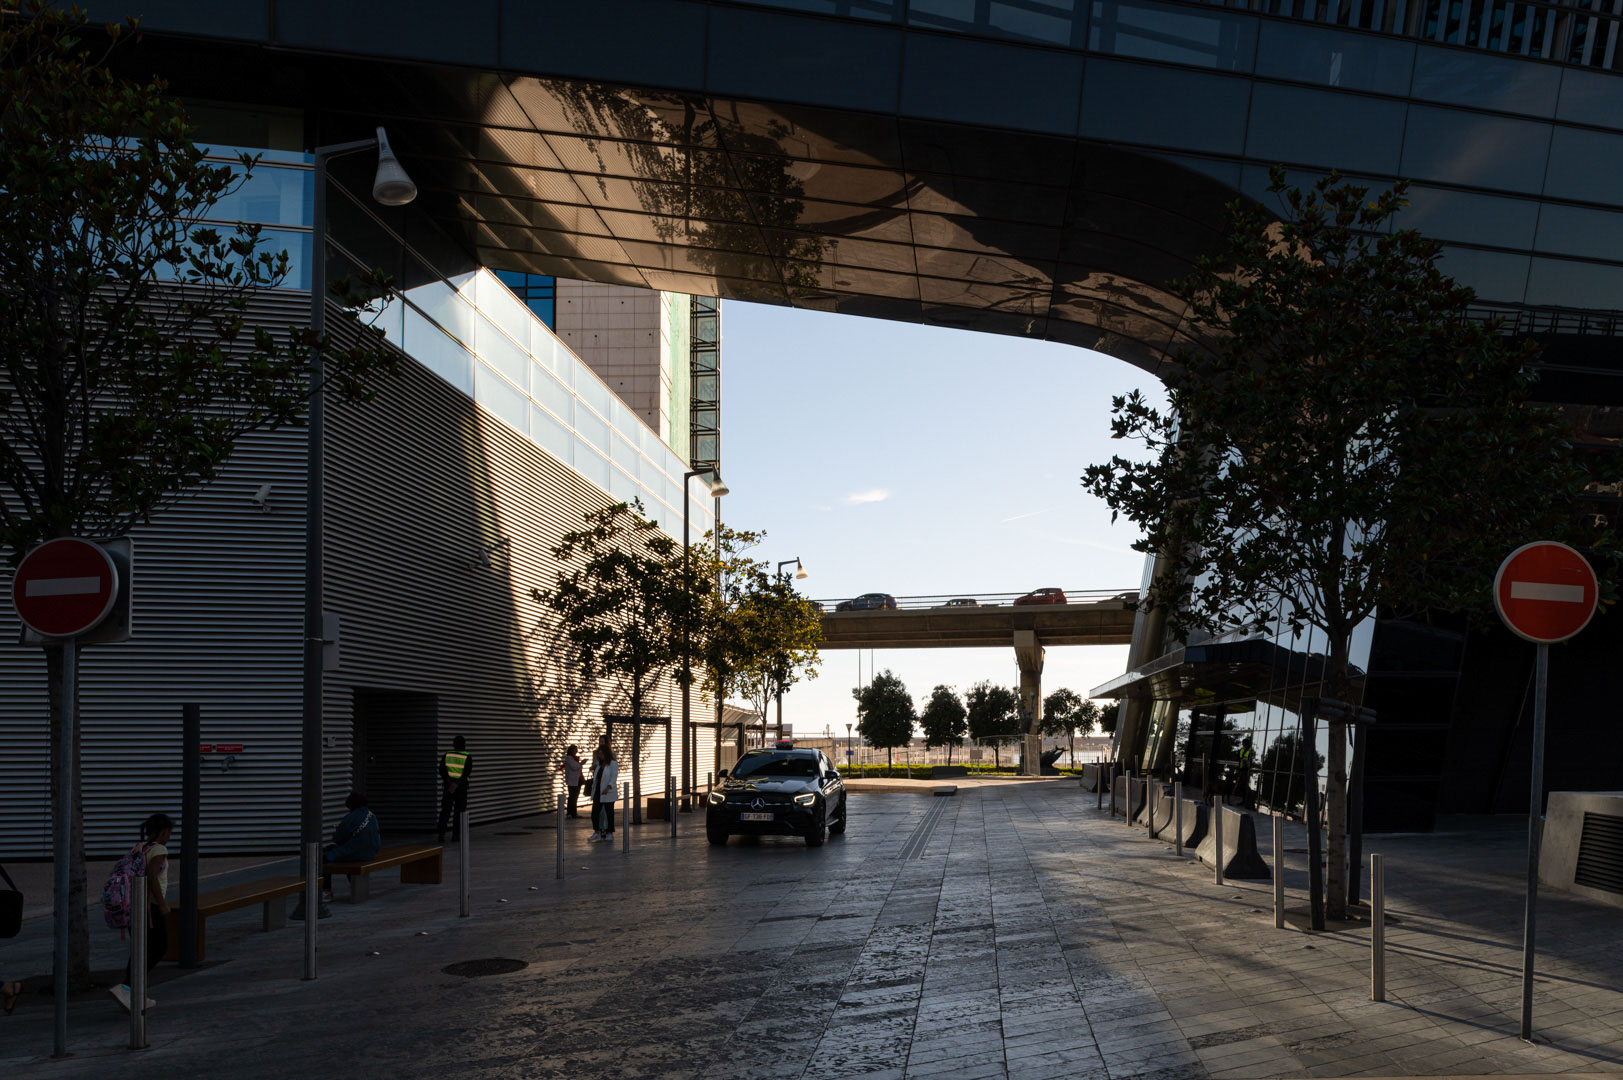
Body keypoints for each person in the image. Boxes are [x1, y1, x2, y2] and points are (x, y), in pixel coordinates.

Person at [110, 813, 171, 1014]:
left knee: (140, 949)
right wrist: (162, 904)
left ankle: (133, 993)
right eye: (169, 832)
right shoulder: (159, 849)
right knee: (159, 947)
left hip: (132, 906)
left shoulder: (139, 847)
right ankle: (127, 988)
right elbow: (152, 876)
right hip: (150, 907)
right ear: (164, 831)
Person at [322, 791, 382, 901]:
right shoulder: (372, 816)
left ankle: (326, 891)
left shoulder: (350, 818)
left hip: (353, 854)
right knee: (332, 849)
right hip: (370, 853)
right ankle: (353, 885)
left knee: (324, 858)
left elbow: (338, 839)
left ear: (350, 805)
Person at [437, 735, 472, 843]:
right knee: (459, 812)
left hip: (448, 788)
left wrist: (449, 781)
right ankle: (456, 835)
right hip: (461, 788)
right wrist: (457, 783)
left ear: (453, 744)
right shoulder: (467, 756)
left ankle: (441, 834)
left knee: (445, 811)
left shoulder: (447, 755)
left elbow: (441, 770)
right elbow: (467, 772)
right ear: (464, 745)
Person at [588, 744, 619, 842]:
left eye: (601, 753)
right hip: (598, 792)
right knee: (594, 813)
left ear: (606, 753)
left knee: (609, 812)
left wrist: (609, 787)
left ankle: (609, 832)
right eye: (599, 753)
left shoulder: (613, 764)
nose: (599, 755)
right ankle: (597, 832)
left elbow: (613, 777)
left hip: (608, 792)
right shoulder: (599, 764)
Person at [558, 745, 584, 818]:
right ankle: (570, 813)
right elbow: (574, 767)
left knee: (575, 797)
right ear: (571, 750)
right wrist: (581, 764)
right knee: (572, 797)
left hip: (577, 780)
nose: (576, 751)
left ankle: (574, 812)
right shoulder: (569, 758)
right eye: (575, 749)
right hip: (572, 781)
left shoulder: (575, 758)